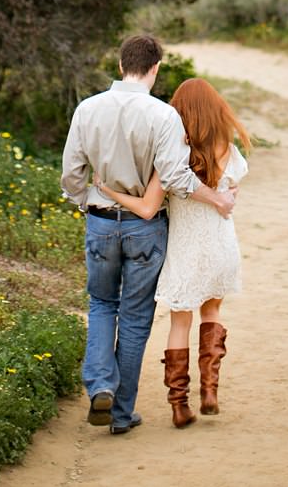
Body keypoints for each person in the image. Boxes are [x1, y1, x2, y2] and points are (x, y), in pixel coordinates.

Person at [61, 35, 236, 436]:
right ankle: (121, 414)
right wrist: (217, 199)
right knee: (136, 317)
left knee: (102, 304)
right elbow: (176, 177)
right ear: (155, 68)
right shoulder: (162, 115)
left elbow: (72, 174)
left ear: (122, 63)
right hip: (145, 226)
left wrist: (86, 200)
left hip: (102, 221)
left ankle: (101, 385)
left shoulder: (87, 109)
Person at [95, 77, 250, 429]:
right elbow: (234, 184)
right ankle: (210, 392)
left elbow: (149, 208)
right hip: (220, 245)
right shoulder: (226, 146)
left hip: (184, 247)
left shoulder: (173, 155)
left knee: (180, 321)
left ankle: (179, 405)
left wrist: (108, 191)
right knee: (212, 312)